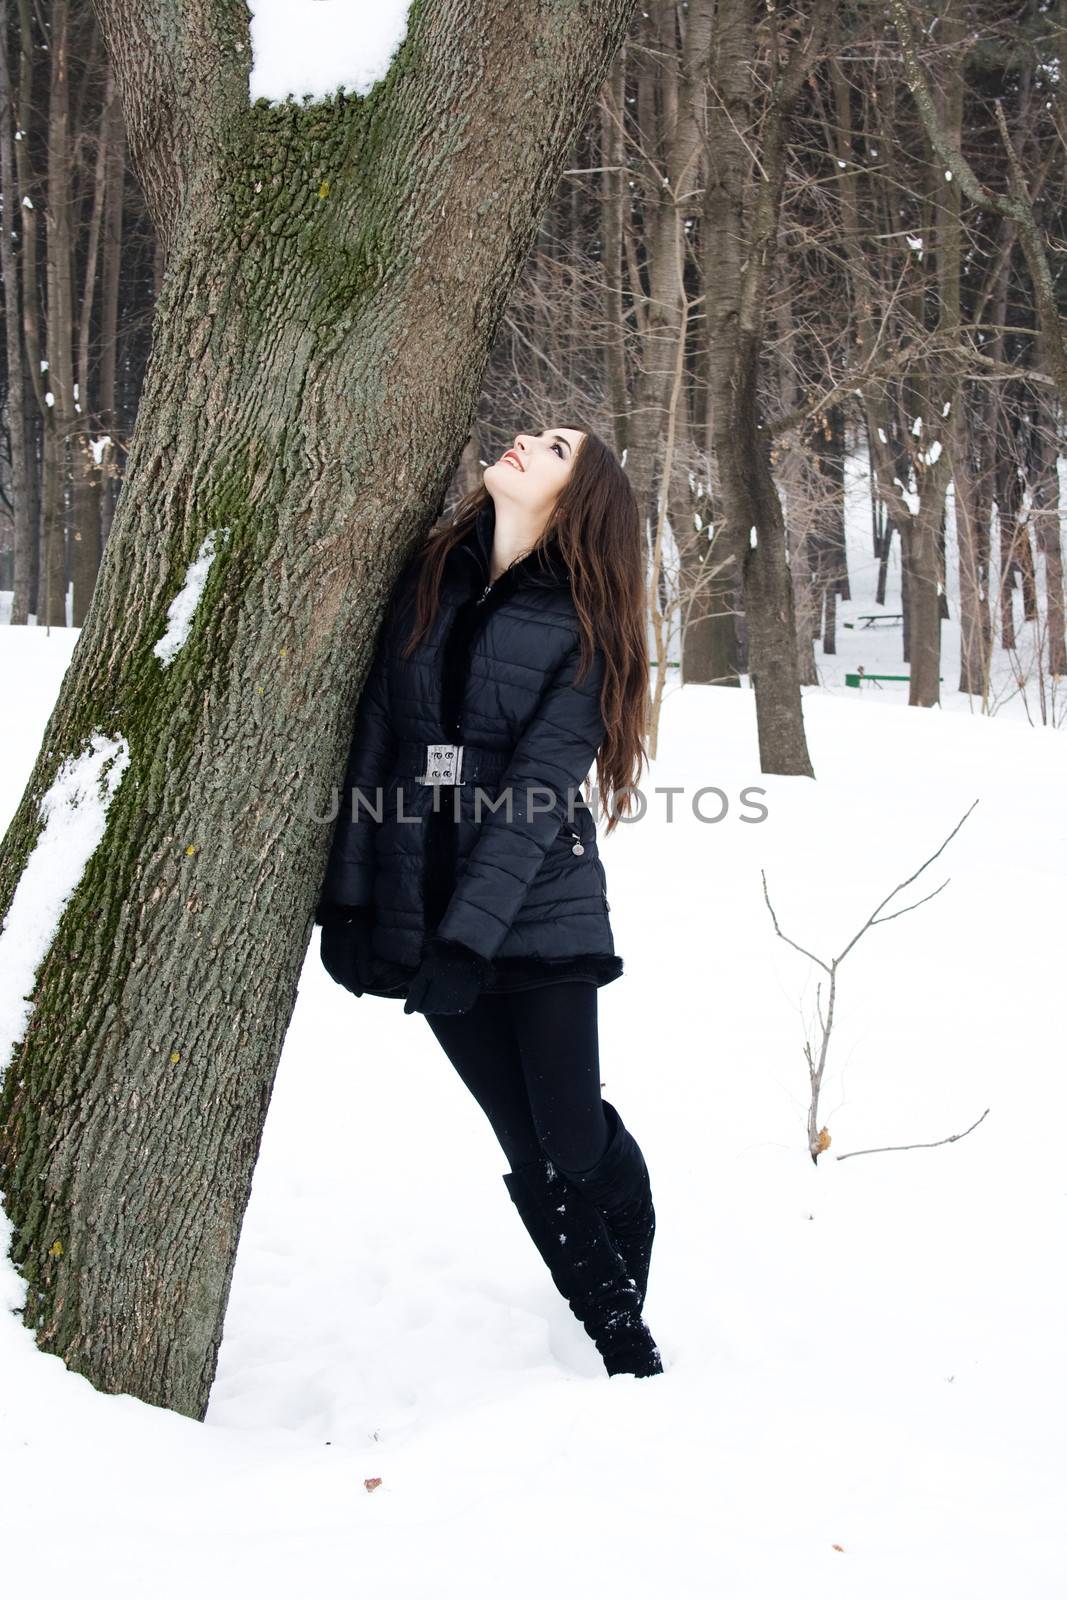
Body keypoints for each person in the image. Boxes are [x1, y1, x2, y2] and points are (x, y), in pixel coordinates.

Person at [315, 425, 663, 1380]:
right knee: (524, 1146)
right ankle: (623, 1351)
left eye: (553, 446)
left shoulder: (587, 623)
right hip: (421, 913)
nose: (524, 441)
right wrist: (346, 906)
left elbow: (535, 798)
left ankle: (631, 1229)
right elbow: (377, 744)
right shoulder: (432, 574)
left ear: (577, 496)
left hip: (537, 910)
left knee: (569, 1132)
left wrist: (470, 941)